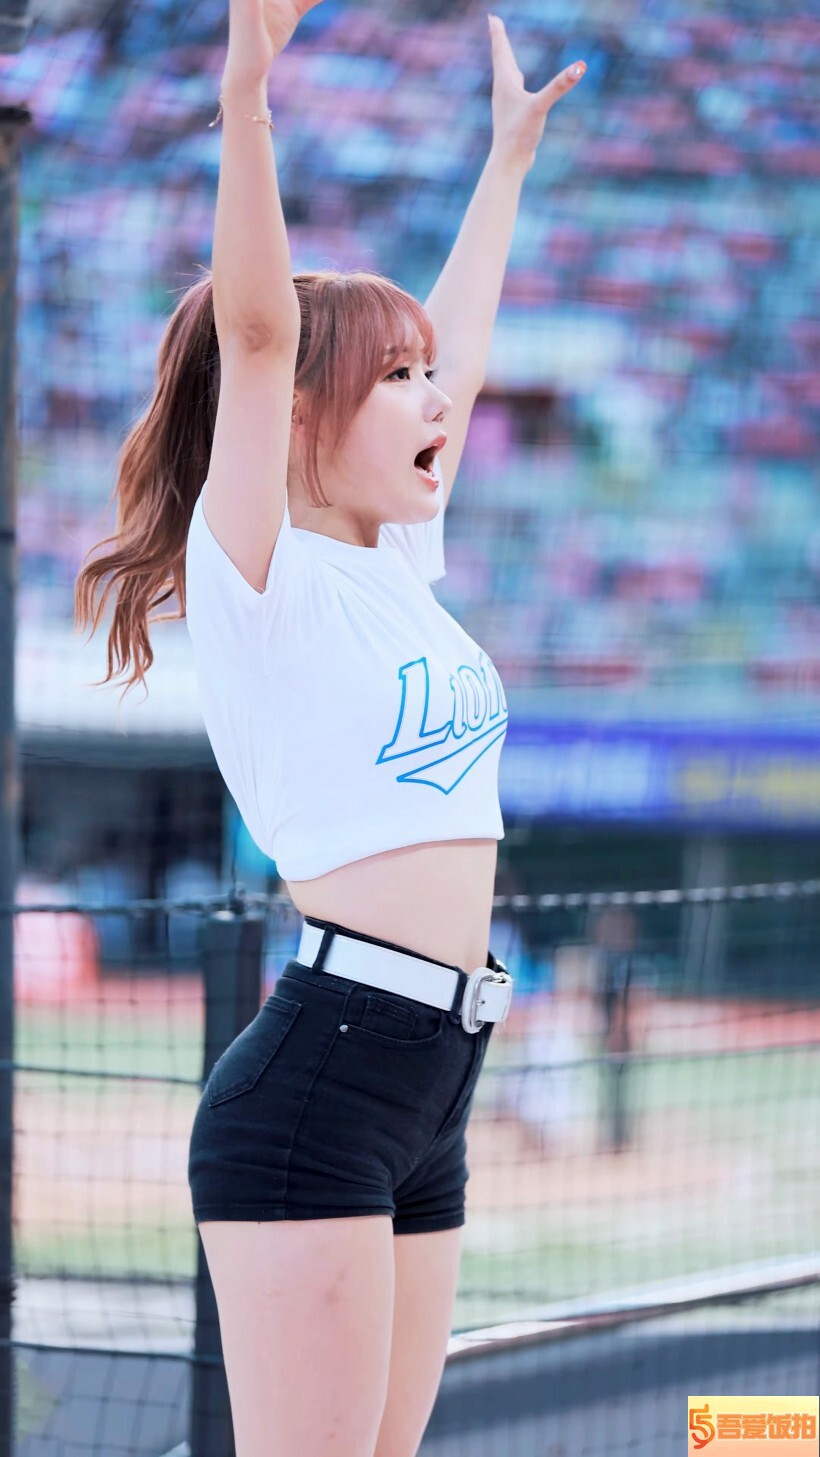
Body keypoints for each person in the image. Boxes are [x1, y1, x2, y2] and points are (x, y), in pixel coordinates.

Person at [74, 2, 586, 1451]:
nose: (439, 402)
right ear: (301, 416)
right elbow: (255, 331)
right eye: (397, 380)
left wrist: (505, 167)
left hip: (436, 1074)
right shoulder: (262, 577)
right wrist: (247, 94)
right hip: (328, 1075)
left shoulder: (392, 565)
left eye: (428, 377)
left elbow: (462, 354)